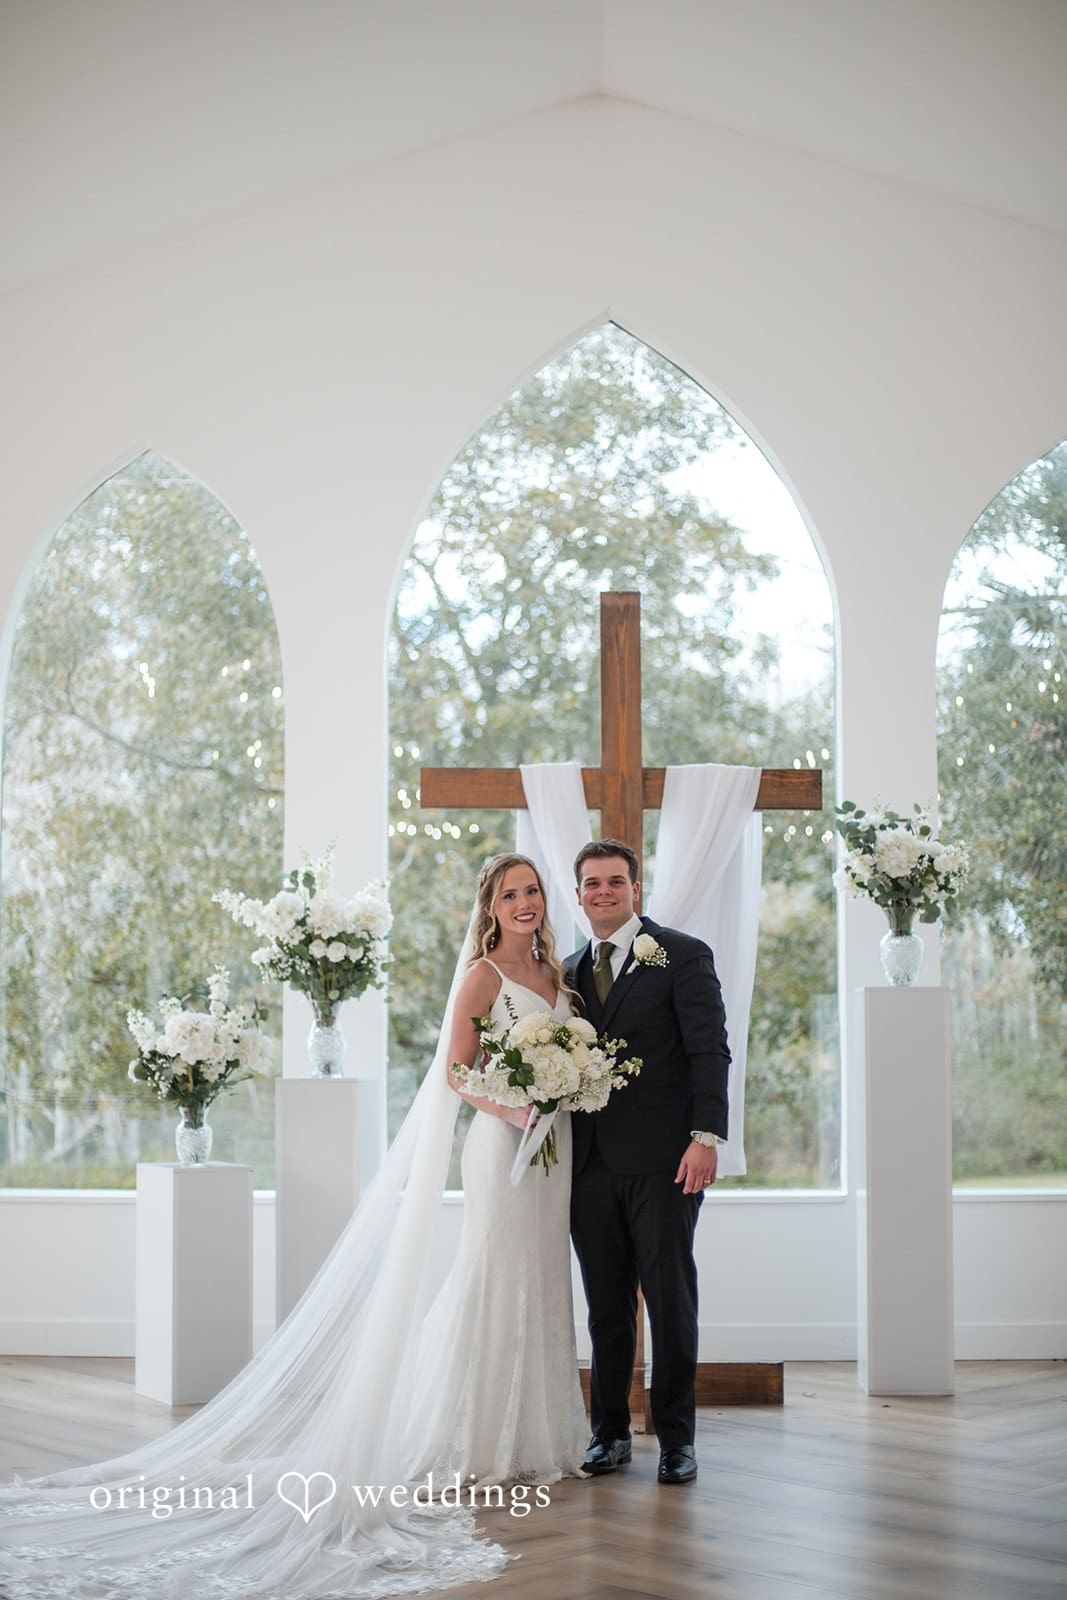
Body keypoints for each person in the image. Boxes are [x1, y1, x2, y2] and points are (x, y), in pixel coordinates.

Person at [0, 854, 585, 1600]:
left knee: (541, 1274)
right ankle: (479, 1437)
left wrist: (565, 1089)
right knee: (495, 1273)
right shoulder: (483, 977)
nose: (525, 902)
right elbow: (456, 1071)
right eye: (511, 894)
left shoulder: (557, 978)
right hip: (501, 1145)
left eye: (532, 891)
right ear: (490, 907)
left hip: (552, 1151)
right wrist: (511, 1109)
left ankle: (540, 1436)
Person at [565, 838, 730, 1487]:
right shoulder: (570, 970)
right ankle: (607, 1434)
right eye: (590, 883)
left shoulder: (681, 954)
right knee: (605, 1307)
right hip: (588, 1163)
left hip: (667, 1161)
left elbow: (709, 1051)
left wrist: (705, 1137)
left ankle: (675, 1441)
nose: (602, 892)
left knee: (669, 1300)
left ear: (634, 888)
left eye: (613, 881)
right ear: (578, 894)